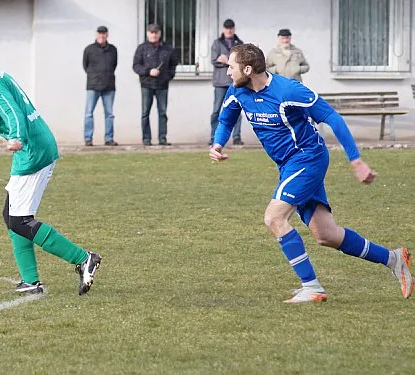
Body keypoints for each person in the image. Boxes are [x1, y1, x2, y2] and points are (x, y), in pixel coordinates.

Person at [210, 43, 413, 303]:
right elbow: (226, 119)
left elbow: (332, 117)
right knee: (326, 235)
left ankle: (312, 287)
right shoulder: (238, 91)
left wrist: (356, 161)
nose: (227, 72)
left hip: (308, 159)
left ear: (248, 69)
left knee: (274, 218)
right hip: (288, 165)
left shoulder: (288, 90)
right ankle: (393, 259)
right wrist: (218, 143)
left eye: (231, 66)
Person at [0, 43, 102, 295]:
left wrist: (17, 137)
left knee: (20, 220)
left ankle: (83, 258)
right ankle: (30, 281)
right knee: (11, 215)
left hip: (32, 151)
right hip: (36, 147)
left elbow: (12, 111)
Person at [133, 23, 178, 146]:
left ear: (159, 34)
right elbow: (136, 66)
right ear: (147, 33)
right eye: (151, 32)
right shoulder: (141, 48)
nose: (154, 35)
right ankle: (146, 139)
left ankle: (162, 138)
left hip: (162, 85)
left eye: (156, 32)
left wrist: (168, 77)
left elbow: (173, 64)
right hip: (146, 85)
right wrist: (148, 71)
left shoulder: (168, 48)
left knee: (162, 113)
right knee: (145, 113)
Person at [83, 26, 119, 147]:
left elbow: (114, 65)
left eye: (104, 33)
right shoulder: (89, 49)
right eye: (99, 33)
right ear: (96, 34)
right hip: (93, 85)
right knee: (89, 113)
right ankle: (88, 138)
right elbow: (85, 66)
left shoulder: (113, 49)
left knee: (109, 114)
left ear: (107, 35)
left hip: (109, 86)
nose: (102, 36)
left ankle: (109, 138)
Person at [210, 19, 243, 146]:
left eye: (231, 28)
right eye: (227, 28)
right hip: (220, 82)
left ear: (234, 29)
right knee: (216, 110)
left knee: (237, 110)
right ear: (223, 29)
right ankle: (214, 136)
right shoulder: (217, 43)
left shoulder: (239, 43)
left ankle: (236, 137)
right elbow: (214, 60)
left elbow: (241, 61)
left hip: (235, 81)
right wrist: (229, 62)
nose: (229, 30)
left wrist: (226, 60)